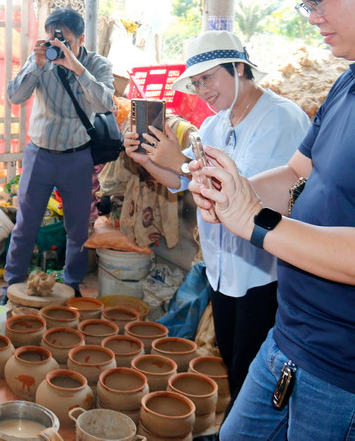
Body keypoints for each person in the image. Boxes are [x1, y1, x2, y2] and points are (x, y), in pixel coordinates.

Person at [186, 0, 355, 439]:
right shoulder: (346, 85)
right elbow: (295, 174)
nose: (313, 16)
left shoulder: (279, 112)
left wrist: (254, 219)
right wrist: (230, 192)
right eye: (305, 3)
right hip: (291, 335)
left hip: (340, 369)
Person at [123, 31, 310, 405]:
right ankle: (238, 425)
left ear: (239, 68)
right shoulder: (215, 125)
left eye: (208, 78)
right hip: (222, 269)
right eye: (196, 82)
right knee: (232, 359)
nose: (202, 90)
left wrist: (179, 161)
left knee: (255, 371)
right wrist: (149, 160)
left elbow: (243, 192)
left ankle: (245, 428)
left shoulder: (280, 118)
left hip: (263, 273)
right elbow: (181, 181)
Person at [0, 8, 115, 305]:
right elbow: (14, 97)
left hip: (77, 156)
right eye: (54, 39)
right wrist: (36, 65)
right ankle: (10, 286)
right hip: (39, 155)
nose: (59, 46)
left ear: (82, 39)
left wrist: (77, 67)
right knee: (25, 226)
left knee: (77, 229)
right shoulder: (41, 59)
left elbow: (105, 105)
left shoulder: (97, 64)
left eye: (67, 41)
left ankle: (72, 284)